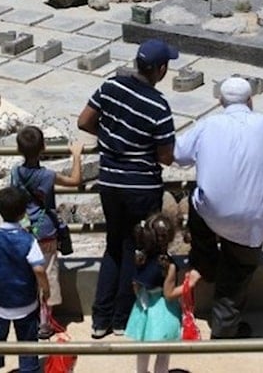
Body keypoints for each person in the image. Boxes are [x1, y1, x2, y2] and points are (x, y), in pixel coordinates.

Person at [174, 76, 263, 339]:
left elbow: (179, 155)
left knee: (197, 201)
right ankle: (225, 327)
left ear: (220, 101)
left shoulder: (207, 125)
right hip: (251, 218)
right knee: (238, 271)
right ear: (251, 100)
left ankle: (205, 262)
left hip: (210, 214)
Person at [78, 38, 178, 339]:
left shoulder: (110, 87)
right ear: (160, 70)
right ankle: (122, 320)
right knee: (136, 249)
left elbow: (84, 121)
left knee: (113, 247)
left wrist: (109, 137)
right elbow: (165, 156)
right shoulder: (159, 106)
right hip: (142, 187)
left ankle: (99, 320)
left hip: (110, 183)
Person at [10, 125, 84, 339]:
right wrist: (76, 156)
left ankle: (28, 315)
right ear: (43, 148)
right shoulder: (48, 175)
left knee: (29, 273)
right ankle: (45, 321)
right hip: (46, 232)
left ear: (18, 149)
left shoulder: (15, 172)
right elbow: (75, 180)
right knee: (48, 274)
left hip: (24, 230)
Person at [0, 186, 51, 373]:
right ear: (23, 213)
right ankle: (28, 368)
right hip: (26, 303)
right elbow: (39, 269)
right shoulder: (28, 240)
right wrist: (45, 290)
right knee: (27, 340)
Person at [125, 212, 201, 373]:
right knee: (163, 352)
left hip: (143, 308)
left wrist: (142, 298)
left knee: (143, 348)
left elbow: (135, 285)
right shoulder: (169, 266)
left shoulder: (140, 257)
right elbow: (169, 293)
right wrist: (189, 284)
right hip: (162, 312)